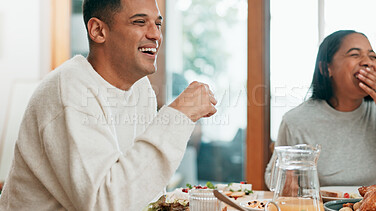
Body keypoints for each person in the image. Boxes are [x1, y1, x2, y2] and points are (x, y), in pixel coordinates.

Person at [0, 0, 217, 210]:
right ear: (98, 31)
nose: (155, 35)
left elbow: (141, 190)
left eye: (157, 24)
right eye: (139, 22)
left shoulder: (141, 89)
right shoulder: (69, 89)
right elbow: (103, 203)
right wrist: (178, 115)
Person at [265, 30, 376, 188]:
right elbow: (273, 176)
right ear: (326, 68)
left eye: (372, 56)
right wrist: (286, 181)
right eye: (355, 54)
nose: (368, 62)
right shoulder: (295, 121)